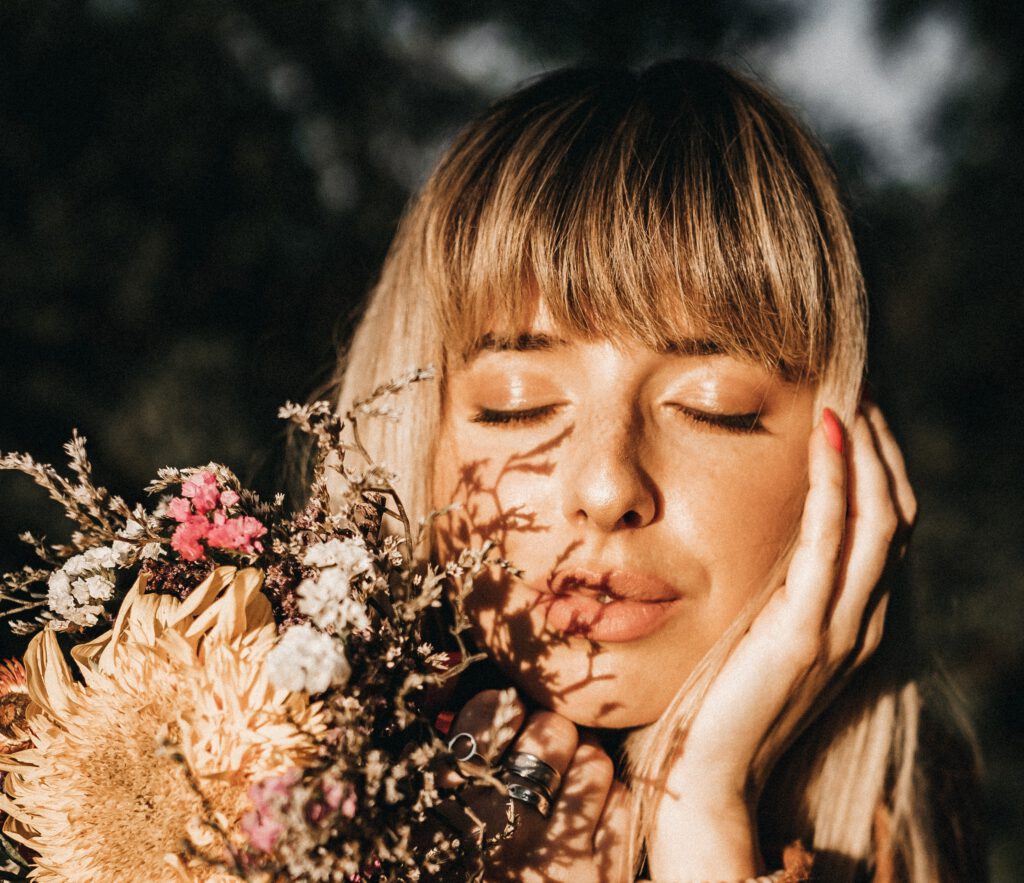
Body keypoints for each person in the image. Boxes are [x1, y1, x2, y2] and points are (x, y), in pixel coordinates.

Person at [333, 59, 983, 882]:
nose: (606, 487)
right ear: (413, 434)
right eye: (517, 401)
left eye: (715, 404)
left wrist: (703, 809)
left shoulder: (907, 833)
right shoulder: (193, 793)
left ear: (847, 462)